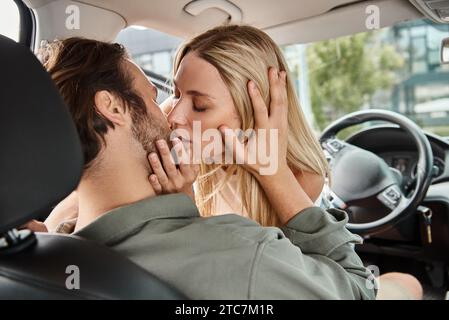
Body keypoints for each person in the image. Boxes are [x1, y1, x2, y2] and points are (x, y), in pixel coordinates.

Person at [29, 36, 375, 299]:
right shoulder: (240, 251)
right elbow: (357, 286)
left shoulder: (46, 248)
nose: (171, 115)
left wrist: (181, 207)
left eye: (199, 105)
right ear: (112, 107)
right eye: (162, 96)